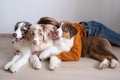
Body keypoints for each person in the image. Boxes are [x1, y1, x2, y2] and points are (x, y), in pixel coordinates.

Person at [37, 17, 120, 61]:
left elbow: (75, 55)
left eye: (54, 28)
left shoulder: (71, 32)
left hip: (94, 29)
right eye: (49, 33)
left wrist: (51, 55)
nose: (54, 32)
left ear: (56, 24)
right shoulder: (57, 35)